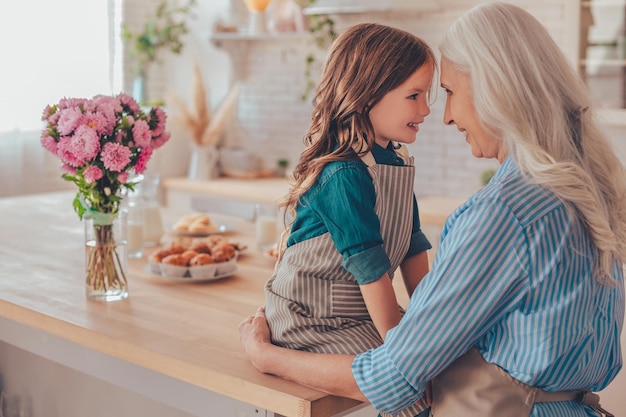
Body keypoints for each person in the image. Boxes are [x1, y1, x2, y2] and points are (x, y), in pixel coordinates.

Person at [240, 3, 626, 417]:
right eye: (420, 96)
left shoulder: (505, 213)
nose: (441, 115)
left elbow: (392, 375)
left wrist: (264, 356)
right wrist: (412, 337)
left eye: (449, 92)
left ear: (495, 88)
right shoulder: (592, 191)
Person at [263, 23, 435, 417]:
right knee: (408, 392)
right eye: (414, 95)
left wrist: (429, 326)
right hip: (310, 320)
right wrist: (402, 355)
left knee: (444, 367)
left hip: (357, 312)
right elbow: (371, 270)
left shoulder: (395, 161)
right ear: (368, 93)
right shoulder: (343, 174)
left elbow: (412, 247)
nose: (425, 109)